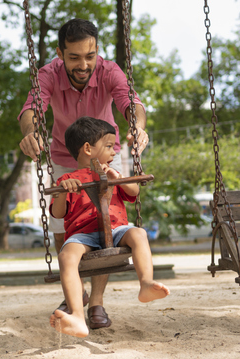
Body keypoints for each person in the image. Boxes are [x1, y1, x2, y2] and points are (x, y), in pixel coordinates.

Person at [18, 18, 149, 329]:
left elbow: (130, 102)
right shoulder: (48, 74)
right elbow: (31, 110)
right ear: (61, 53)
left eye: (89, 56)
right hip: (66, 156)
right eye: (74, 57)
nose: (83, 64)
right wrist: (30, 133)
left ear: (97, 52)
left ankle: (97, 303)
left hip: (106, 154)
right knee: (67, 229)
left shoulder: (108, 70)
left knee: (107, 225)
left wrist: (137, 127)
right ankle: (78, 291)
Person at [48, 117, 169, 337]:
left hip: (116, 230)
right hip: (82, 235)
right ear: (87, 148)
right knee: (66, 256)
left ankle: (146, 283)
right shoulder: (67, 179)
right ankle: (76, 315)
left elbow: (134, 192)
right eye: (109, 146)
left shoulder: (112, 173)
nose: (114, 151)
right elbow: (58, 213)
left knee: (139, 233)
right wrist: (63, 191)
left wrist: (119, 178)